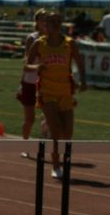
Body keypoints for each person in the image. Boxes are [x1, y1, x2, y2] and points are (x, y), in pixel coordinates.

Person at [25, 12, 87, 180]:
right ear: (45, 24)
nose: (56, 23)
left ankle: (58, 156)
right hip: (47, 91)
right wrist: (37, 66)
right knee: (56, 129)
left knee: (68, 133)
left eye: (59, 21)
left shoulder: (69, 44)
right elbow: (27, 65)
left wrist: (84, 81)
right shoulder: (39, 43)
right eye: (52, 21)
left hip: (65, 92)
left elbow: (80, 62)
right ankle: (55, 163)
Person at [16, 8, 48, 142]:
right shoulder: (32, 38)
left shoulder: (53, 38)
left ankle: (45, 134)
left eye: (48, 19)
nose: (46, 22)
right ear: (37, 22)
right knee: (29, 119)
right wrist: (21, 83)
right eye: (43, 19)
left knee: (51, 116)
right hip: (30, 82)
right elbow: (26, 62)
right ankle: (25, 144)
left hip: (46, 83)